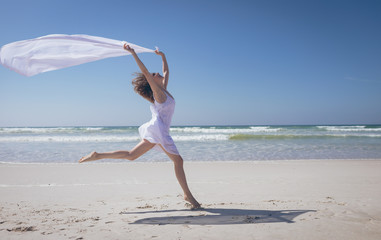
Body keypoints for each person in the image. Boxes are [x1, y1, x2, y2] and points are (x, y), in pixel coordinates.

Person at [79, 44, 201, 209]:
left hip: (157, 129)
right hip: (159, 130)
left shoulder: (164, 90)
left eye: (156, 73)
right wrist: (133, 53)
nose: (157, 74)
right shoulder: (158, 93)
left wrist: (163, 56)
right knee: (178, 161)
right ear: (151, 81)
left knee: (131, 155)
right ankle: (188, 195)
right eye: (153, 74)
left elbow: (166, 72)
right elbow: (145, 72)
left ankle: (98, 155)